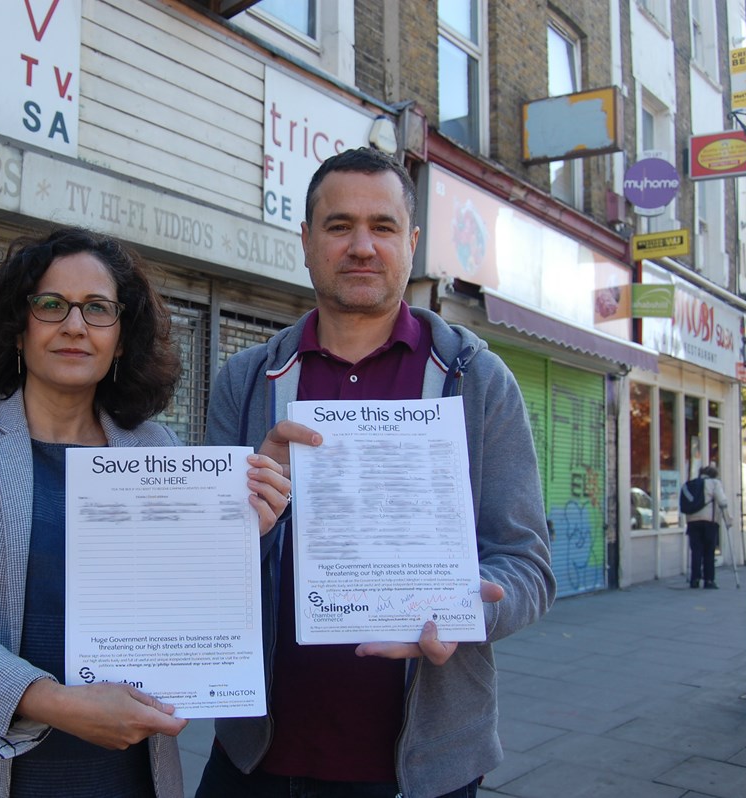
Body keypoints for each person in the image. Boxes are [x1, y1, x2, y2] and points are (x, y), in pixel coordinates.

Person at [0, 226, 292, 798]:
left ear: (121, 339)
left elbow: (184, 601)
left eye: (98, 309)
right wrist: (57, 705)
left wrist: (243, 528)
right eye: (51, 305)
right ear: (18, 328)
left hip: (128, 775)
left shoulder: (156, 449)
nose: (74, 325)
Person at [197, 147, 556, 798]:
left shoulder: (478, 383)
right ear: (305, 242)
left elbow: (527, 567)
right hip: (257, 758)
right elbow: (203, 569)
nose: (361, 246)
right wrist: (244, 520)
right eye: (339, 227)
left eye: (383, 227)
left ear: (411, 244)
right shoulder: (246, 383)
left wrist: (466, 609)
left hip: (426, 769)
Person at [683, 465, 729, 589]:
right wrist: (728, 520)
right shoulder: (714, 483)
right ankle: (709, 580)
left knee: (696, 551)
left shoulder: (691, 484)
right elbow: (722, 502)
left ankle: (695, 579)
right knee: (709, 551)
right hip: (709, 522)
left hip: (692, 522)